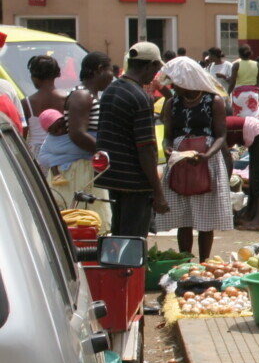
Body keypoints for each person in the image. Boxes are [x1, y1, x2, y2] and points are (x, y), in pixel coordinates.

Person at [157, 56, 232, 262]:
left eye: (176, 83)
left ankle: (204, 261)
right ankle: (185, 260)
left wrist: (207, 156)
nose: (173, 87)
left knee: (205, 217)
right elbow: (167, 136)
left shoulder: (213, 101)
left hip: (207, 162)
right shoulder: (172, 103)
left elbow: (221, 135)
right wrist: (168, 150)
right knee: (184, 217)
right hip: (180, 163)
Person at [94, 43, 169, 238]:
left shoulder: (111, 90)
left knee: (118, 233)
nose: (156, 74)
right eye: (157, 68)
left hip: (113, 176)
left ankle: (115, 267)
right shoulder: (140, 97)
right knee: (133, 238)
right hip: (135, 181)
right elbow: (145, 148)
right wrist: (158, 191)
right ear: (149, 65)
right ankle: (128, 269)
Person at [41, 51, 115, 231]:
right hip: (78, 169)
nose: (112, 77)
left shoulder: (90, 95)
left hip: (85, 166)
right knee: (83, 222)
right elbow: (77, 134)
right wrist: (105, 154)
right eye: (110, 70)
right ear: (99, 70)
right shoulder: (82, 96)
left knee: (95, 222)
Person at [22, 55, 66, 165]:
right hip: (60, 153)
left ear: (34, 77)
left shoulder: (27, 103)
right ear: (57, 74)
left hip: (36, 156)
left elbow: (22, 136)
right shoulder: (68, 99)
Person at [227, 45, 259, 117]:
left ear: (239, 54)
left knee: (239, 117)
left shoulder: (236, 65)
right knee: (253, 117)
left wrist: (227, 94)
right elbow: (258, 83)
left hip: (239, 95)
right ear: (250, 53)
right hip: (253, 94)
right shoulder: (257, 64)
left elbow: (232, 83)